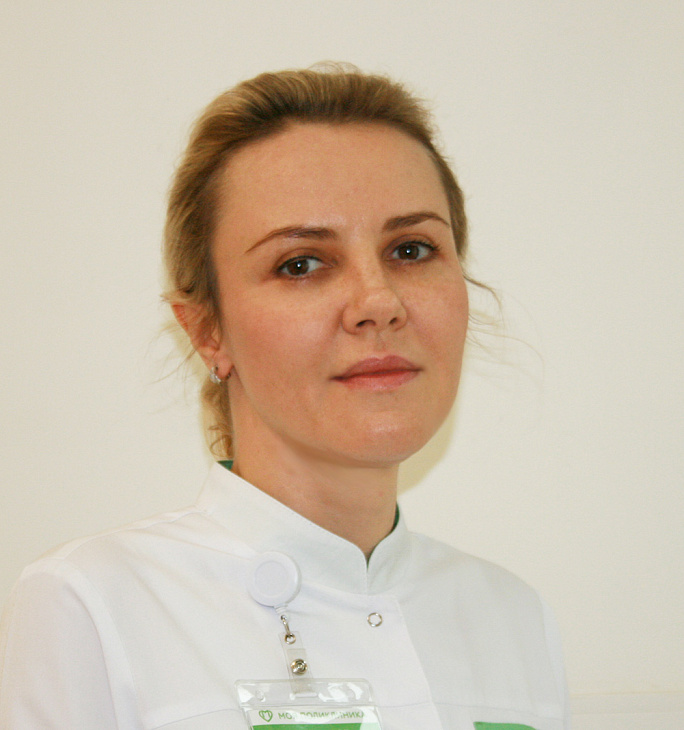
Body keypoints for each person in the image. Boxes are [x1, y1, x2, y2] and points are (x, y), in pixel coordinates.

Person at [0, 65, 570, 729]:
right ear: (208, 331)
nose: (379, 301)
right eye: (300, 263)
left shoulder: (512, 618)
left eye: (412, 249)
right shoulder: (96, 607)